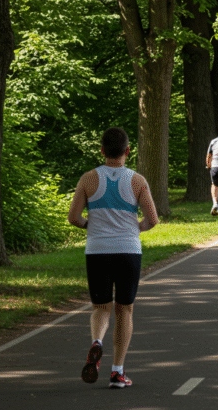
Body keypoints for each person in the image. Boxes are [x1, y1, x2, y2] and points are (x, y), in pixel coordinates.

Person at [68, 127, 159, 389]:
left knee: (100, 308)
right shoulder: (138, 180)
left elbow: (74, 217)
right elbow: (152, 219)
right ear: (128, 151)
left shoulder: (88, 179)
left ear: (102, 151)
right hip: (128, 250)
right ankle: (117, 372)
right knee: (125, 309)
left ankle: (97, 342)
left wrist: (91, 226)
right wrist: (133, 229)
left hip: (97, 251)